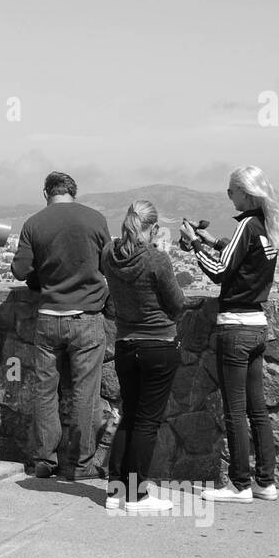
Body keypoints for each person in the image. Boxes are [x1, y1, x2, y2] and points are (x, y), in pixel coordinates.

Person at [182, 165, 279, 503]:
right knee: (257, 410)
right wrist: (209, 240)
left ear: (245, 193)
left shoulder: (245, 224)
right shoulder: (263, 228)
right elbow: (239, 260)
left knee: (235, 409)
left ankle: (240, 484)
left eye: (231, 190)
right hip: (258, 326)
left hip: (235, 327)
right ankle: (266, 481)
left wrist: (193, 247)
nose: (228, 196)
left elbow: (220, 271)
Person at [11, 171, 112, 480]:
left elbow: (19, 270)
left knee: (45, 391)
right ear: (73, 192)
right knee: (86, 393)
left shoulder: (34, 223)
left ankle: (44, 459)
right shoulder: (95, 220)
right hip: (87, 319)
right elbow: (109, 264)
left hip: (49, 318)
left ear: (46, 194)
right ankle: (83, 465)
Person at [101, 200, 184, 512]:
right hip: (158, 345)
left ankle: (115, 490)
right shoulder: (157, 260)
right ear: (155, 227)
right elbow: (177, 304)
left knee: (129, 414)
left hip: (125, 345)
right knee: (147, 422)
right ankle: (137, 495)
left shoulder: (110, 255)